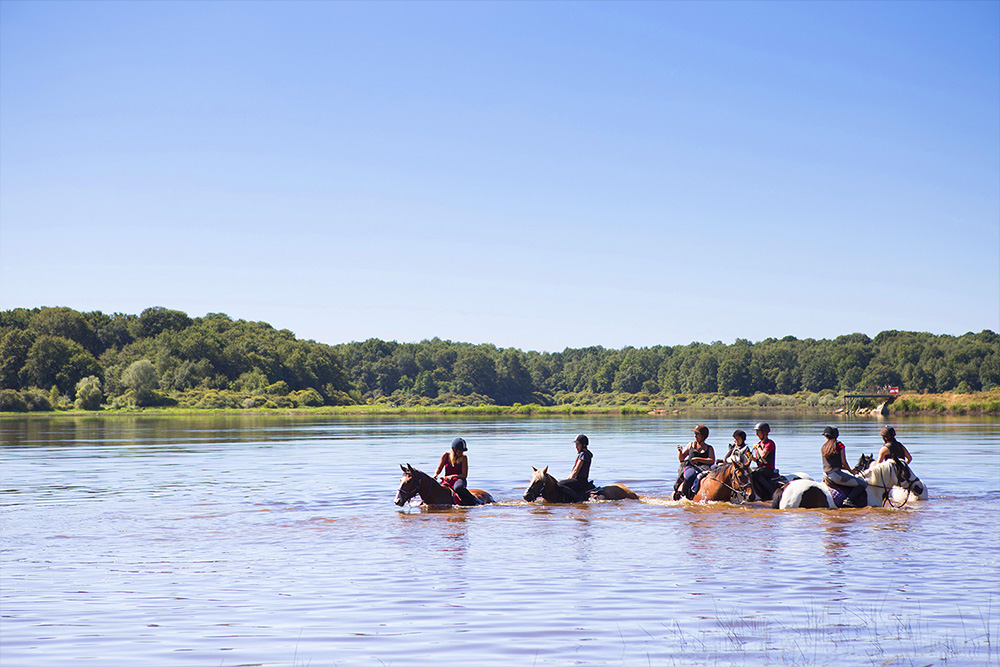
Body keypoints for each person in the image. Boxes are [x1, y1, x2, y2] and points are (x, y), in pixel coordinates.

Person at [821, 426, 867, 507]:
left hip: (825, 475)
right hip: (836, 476)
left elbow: (832, 464)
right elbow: (844, 463)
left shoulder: (824, 447)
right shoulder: (839, 445)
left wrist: (844, 468)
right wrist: (852, 471)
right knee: (863, 484)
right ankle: (848, 500)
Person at [672, 424, 716, 500]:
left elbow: (712, 460)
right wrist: (680, 451)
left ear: (703, 436)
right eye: (695, 434)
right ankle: (684, 495)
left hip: (704, 468)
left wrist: (699, 459)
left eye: (697, 434)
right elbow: (681, 458)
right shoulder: (690, 445)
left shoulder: (709, 448)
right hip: (691, 467)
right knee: (690, 476)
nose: (695, 436)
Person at [435, 437, 475, 504]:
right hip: (448, 480)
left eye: (462, 451)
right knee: (435, 489)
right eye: (459, 451)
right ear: (454, 449)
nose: (461, 453)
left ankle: (473, 500)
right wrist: (435, 474)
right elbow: (439, 468)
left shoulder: (464, 458)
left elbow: (464, 475)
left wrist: (452, 476)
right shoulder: (446, 455)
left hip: (459, 479)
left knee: (458, 488)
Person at [749, 421, 780, 501]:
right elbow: (759, 459)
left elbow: (763, 455)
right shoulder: (759, 443)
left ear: (765, 432)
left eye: (758, 432)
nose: (757, 434)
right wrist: (751, 458)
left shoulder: (769, 443)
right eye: (756, 432)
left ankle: (770, 492)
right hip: (761, 467)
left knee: (754, 474)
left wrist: (758, 447)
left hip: (768, 468)